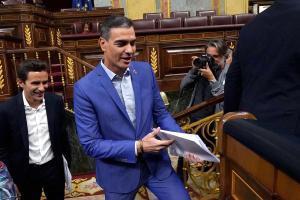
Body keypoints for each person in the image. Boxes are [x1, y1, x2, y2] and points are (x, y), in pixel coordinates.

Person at [74, 16, 201, 200]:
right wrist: (139, 146)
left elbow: (161, 114)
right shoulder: (84, 88)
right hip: (119, 174)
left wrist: (185, 143)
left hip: (156, 166)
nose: (130, 51)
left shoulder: (144, 71)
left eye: (133, 43)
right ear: (103, 44)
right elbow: (91, 145)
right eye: (121, 44)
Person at [224, 0, 300, 135]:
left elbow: (233, 82)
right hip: (291, 137)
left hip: (251, 130)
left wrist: (231, 127)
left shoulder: (250, 27)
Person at [0, 59, 71, 200]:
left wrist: (66, 164)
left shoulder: (55, 102)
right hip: (25, 173)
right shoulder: (6, 110)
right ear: (21, 83)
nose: (42, 88)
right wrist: (11, 178)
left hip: (53, 169)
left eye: (45, 82)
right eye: (35, 83)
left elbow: (63, 137)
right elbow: (3, 147)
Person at [180, 40, 229, 121]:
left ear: (224, 56)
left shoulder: (228, 73)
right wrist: (194, 70)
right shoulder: (202, 69)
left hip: (213, 121)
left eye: (215, 56)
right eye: (208, 56)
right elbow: (183, 86)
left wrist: (211, 79)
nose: (211, 59)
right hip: (194, 117)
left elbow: (224, 99)